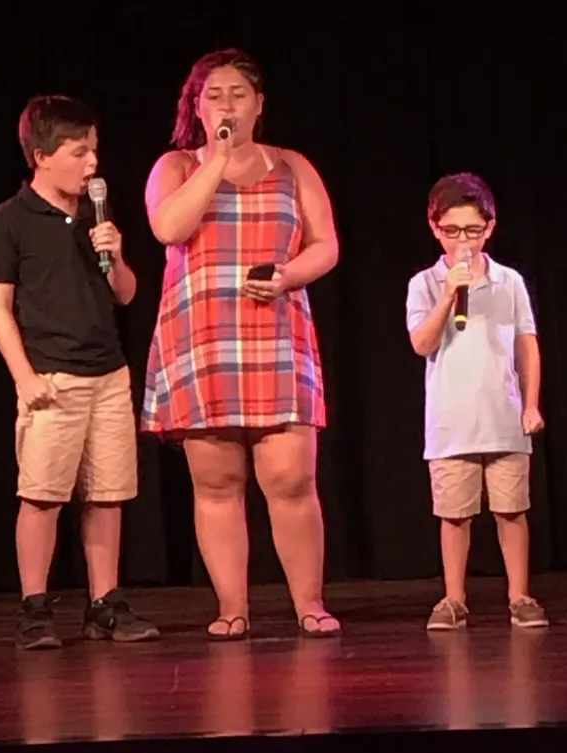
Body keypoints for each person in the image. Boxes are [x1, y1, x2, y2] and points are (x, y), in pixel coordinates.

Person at [141, 49, 341, 640]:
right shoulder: (177, 165)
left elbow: (326, 244)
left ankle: (310, 603)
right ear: (197, 108)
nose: (227, 104)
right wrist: (218, 162)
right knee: (217, 482)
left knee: (291, 478)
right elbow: (169, 228)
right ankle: (233, 607)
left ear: (258, 104)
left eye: (238, 94)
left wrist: (288, 275)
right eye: (214, 96)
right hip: (201, 341)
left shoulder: (292, 165)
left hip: (277, 334)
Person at [0, 94, 160, 649]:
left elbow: (126, 294)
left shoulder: (95, 216)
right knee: (42, 495)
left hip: (108, 374)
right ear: (41, 156)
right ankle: (34, 609)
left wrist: (117, 254)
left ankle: (105, 605)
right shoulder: (10, 221)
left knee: (107, 495)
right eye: (79, 152)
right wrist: (24, 377)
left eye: (94, 151)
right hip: (52, 380)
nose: (92, 163)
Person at [405, 172, 550, 631]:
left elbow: (526, 343)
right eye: (452, 231)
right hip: (451, 423)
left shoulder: (510, 282)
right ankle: (454, 599)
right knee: (454, 515)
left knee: (512, 510)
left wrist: (531, 403)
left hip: (503, 416)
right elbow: (422, 343)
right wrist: (450, 293)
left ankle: (520, 596)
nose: (462, 241)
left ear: (490, 227)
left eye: (472, 230)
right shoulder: (424, 283)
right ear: (435, 228)